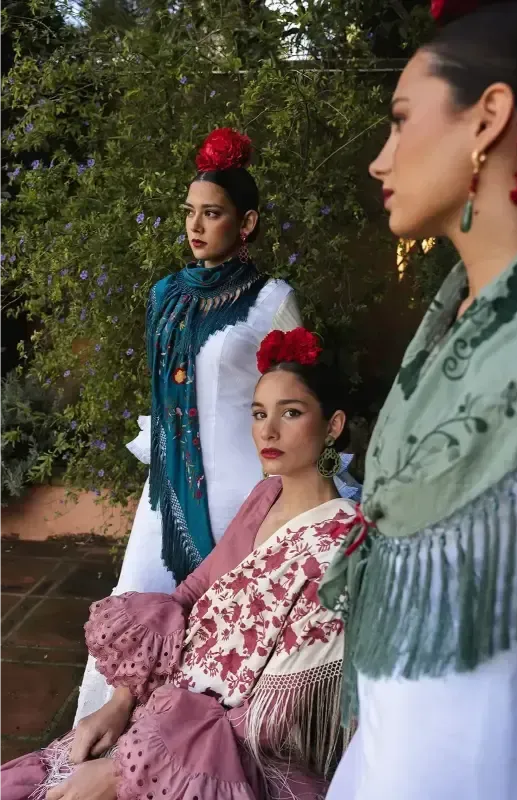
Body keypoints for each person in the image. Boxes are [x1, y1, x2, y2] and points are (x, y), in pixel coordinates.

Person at [1, 328, 358, 800]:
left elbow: (270, 716)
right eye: (258, 414)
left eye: (291, 413)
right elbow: (192, 593)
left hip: (220, 757)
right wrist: (121, 703)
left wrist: (123, 774)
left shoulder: (343, 542)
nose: (267, 431)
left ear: (332, 425)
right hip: (164, 714)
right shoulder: (265, 495)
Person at [322, 2, 517, 799]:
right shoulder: (447, 323)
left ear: (487, 119)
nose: (380, 160)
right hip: (388, 750)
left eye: (400, 120)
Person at [74, 127, 302, 724]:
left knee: (226, 643)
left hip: (241, 497)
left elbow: (294, 396)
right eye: (190, 213)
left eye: (213, 214)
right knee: (142, 618)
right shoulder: (164, 296)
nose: (196, 226)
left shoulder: (271, 299)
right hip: (168, 495)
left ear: (245, 224)